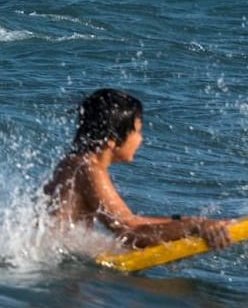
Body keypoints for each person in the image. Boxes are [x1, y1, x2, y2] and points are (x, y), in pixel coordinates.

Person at [44, 89, 233, 250]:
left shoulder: (77, 162)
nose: (141, 139)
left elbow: (131, 221)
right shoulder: (89, 168)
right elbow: (129, 232)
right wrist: (195, 227)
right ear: (111, 141)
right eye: (138, 131)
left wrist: (182, 222)